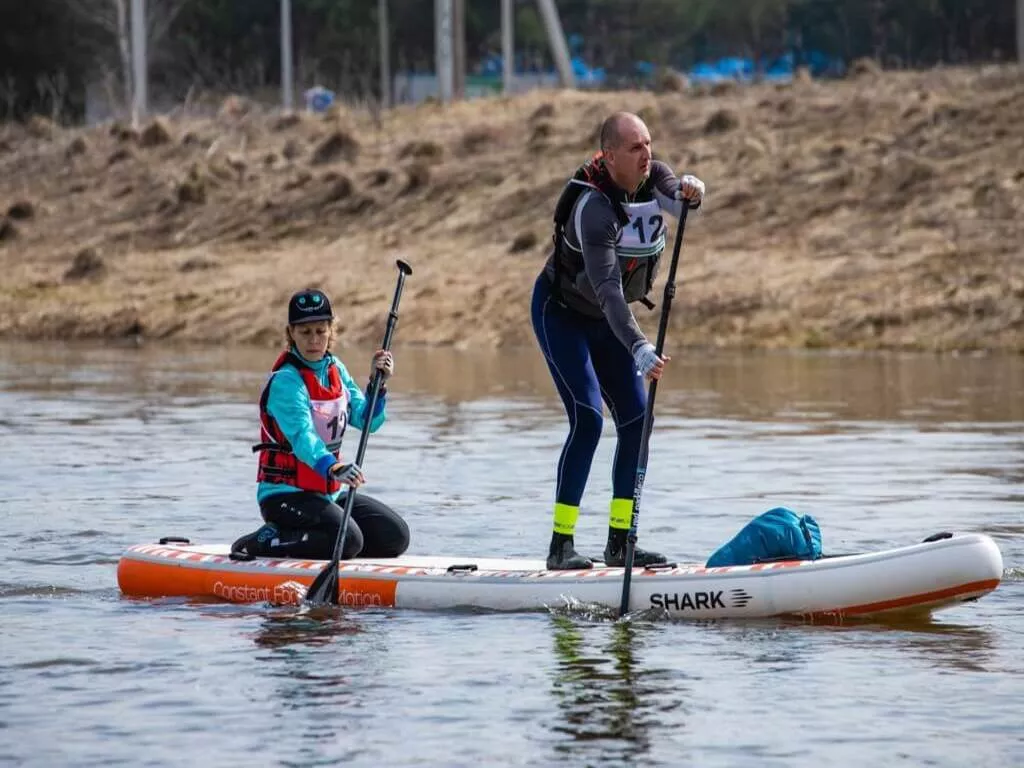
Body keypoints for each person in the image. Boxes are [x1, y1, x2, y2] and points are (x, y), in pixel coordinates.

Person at [532, 111, 706, 570]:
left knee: (636, 419)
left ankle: (620, 540)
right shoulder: (594, 209)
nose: (646, 153)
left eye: (648, 143)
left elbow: (677, 202)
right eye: (634, 148)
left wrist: (691, 192)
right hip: (562, 314)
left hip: (605, 319)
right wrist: (640, 347)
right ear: (609, 157)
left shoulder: (655, 175)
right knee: (588, 419)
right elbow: (609, 291)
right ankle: (561, 545)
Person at [231, 288, 410, 561]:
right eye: (305, 332)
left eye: (320, 330)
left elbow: (368, 421)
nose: (314, 340)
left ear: (330, 330)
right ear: (291, 333)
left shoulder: (335, 369)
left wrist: (378, 383)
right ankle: (262, 541)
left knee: (395, 537)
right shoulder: (286, 382)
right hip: (285, 497)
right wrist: (335, 467)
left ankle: (335, 548)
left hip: (327, 492)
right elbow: (303, 438)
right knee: (349, 538)